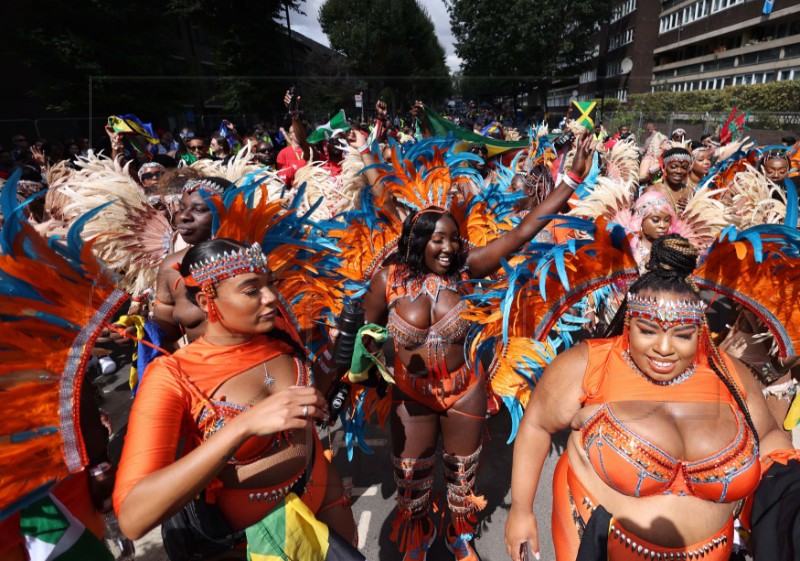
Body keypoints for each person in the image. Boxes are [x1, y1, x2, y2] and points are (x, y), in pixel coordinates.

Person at [356, 132, 595, 561]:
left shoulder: (468, 269)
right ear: (417, 241)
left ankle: (458, 534)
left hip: (463, 389)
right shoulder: (387, 280)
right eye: (438, 240)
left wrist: (571, 180)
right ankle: (416, 532)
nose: (449, 248)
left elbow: (524, 230)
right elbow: (364, 332)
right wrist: (364, 373)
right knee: (410, 477)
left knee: (462, 476)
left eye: (453, 238)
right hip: (411, 394)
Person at [504, 235, 794, 561]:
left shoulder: (729, 375)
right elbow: (537, 425)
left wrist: (788, 485)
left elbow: (769, 437)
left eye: (682, 335)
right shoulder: (588, 366)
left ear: (698, 330)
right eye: (648, 331)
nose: (664, 349)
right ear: (629, 322)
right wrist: (521, 510)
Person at [114, 238, 357, 552]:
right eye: (252, 290)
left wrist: (338, 356)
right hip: (255, 543)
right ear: (205, 300)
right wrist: (244, 425)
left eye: (270, 284)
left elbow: (307, 403)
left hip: (327, 499)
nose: (271, 297)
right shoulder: (173, 376)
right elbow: (134, 517)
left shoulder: (278, 333)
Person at [152, 176, 230, 349]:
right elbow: (166, 325)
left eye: (199, 209)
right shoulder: (171, 266)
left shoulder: (253, 262)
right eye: (181, 208)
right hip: (198, 370)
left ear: (227, 213)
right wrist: (142, 330)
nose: (184, 216)